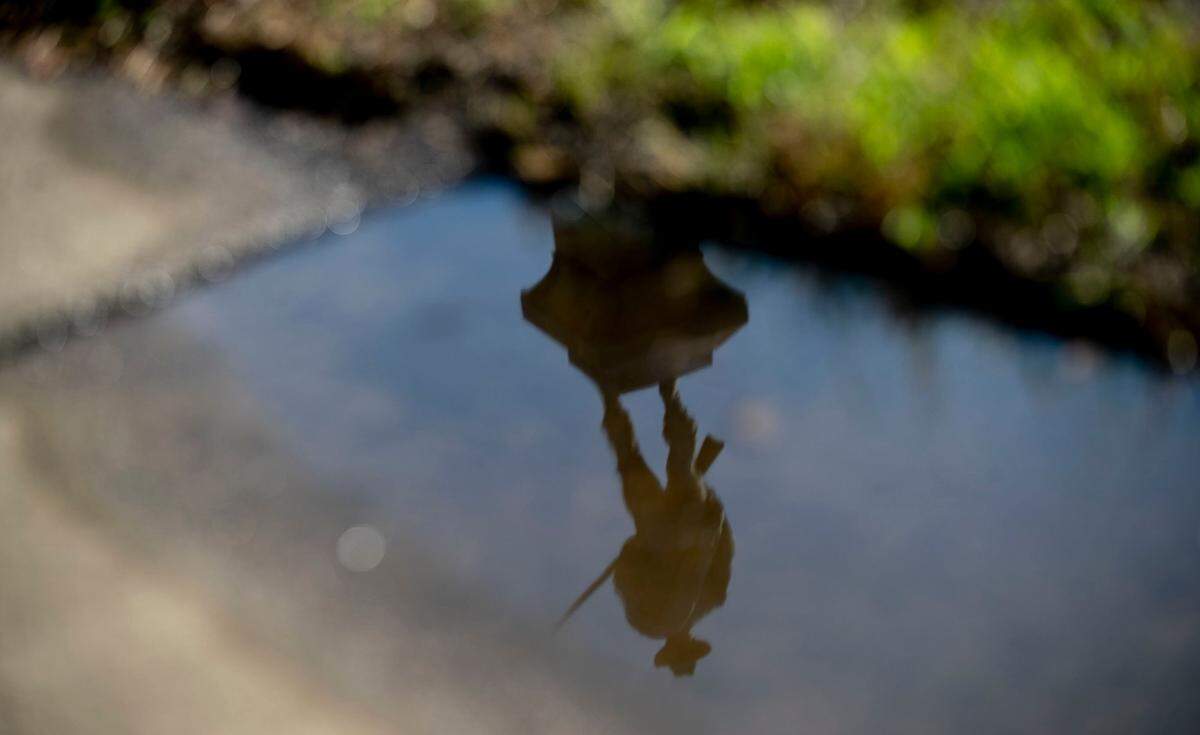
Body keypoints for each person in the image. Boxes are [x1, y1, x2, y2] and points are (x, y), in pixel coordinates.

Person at [600, 380, 733, 676]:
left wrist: (714, 508)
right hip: (654, 531)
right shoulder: (643, 623)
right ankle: (609, 396)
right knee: (629, 459)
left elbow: (723, 546)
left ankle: (670, 395)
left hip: (688, 525)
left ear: (692, 642)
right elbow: (624, 575)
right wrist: (632, 547)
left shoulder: (712, 600)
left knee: (682, 463)